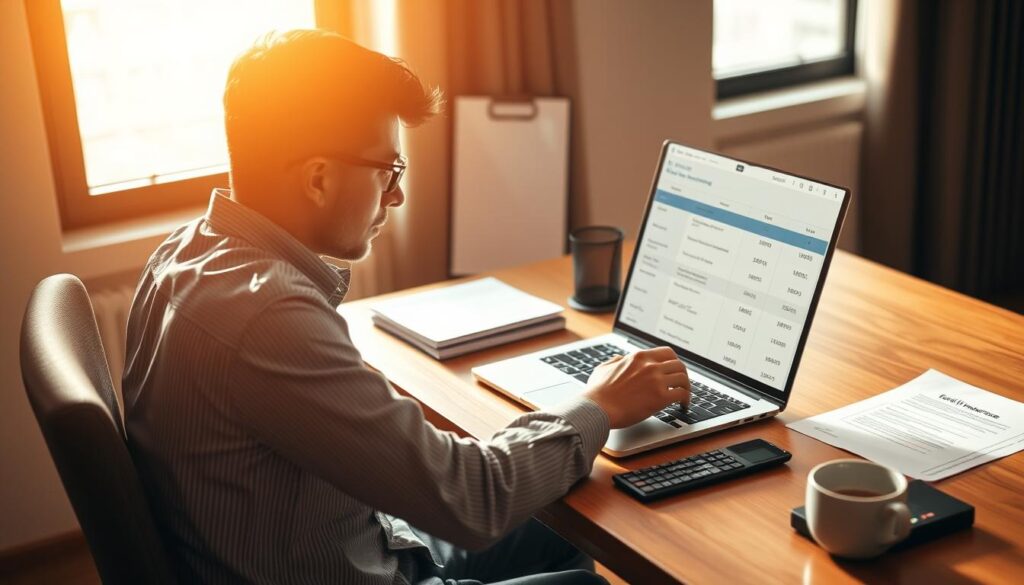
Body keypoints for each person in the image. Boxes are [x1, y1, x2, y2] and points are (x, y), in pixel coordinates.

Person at [122, 29, 690, 585]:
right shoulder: (269, 317)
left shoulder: (183, 255)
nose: (396, 195)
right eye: (387, 172)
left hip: (337, 543)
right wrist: (600, 404)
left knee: (565, 523)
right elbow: (472, 500)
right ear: (318, 179)